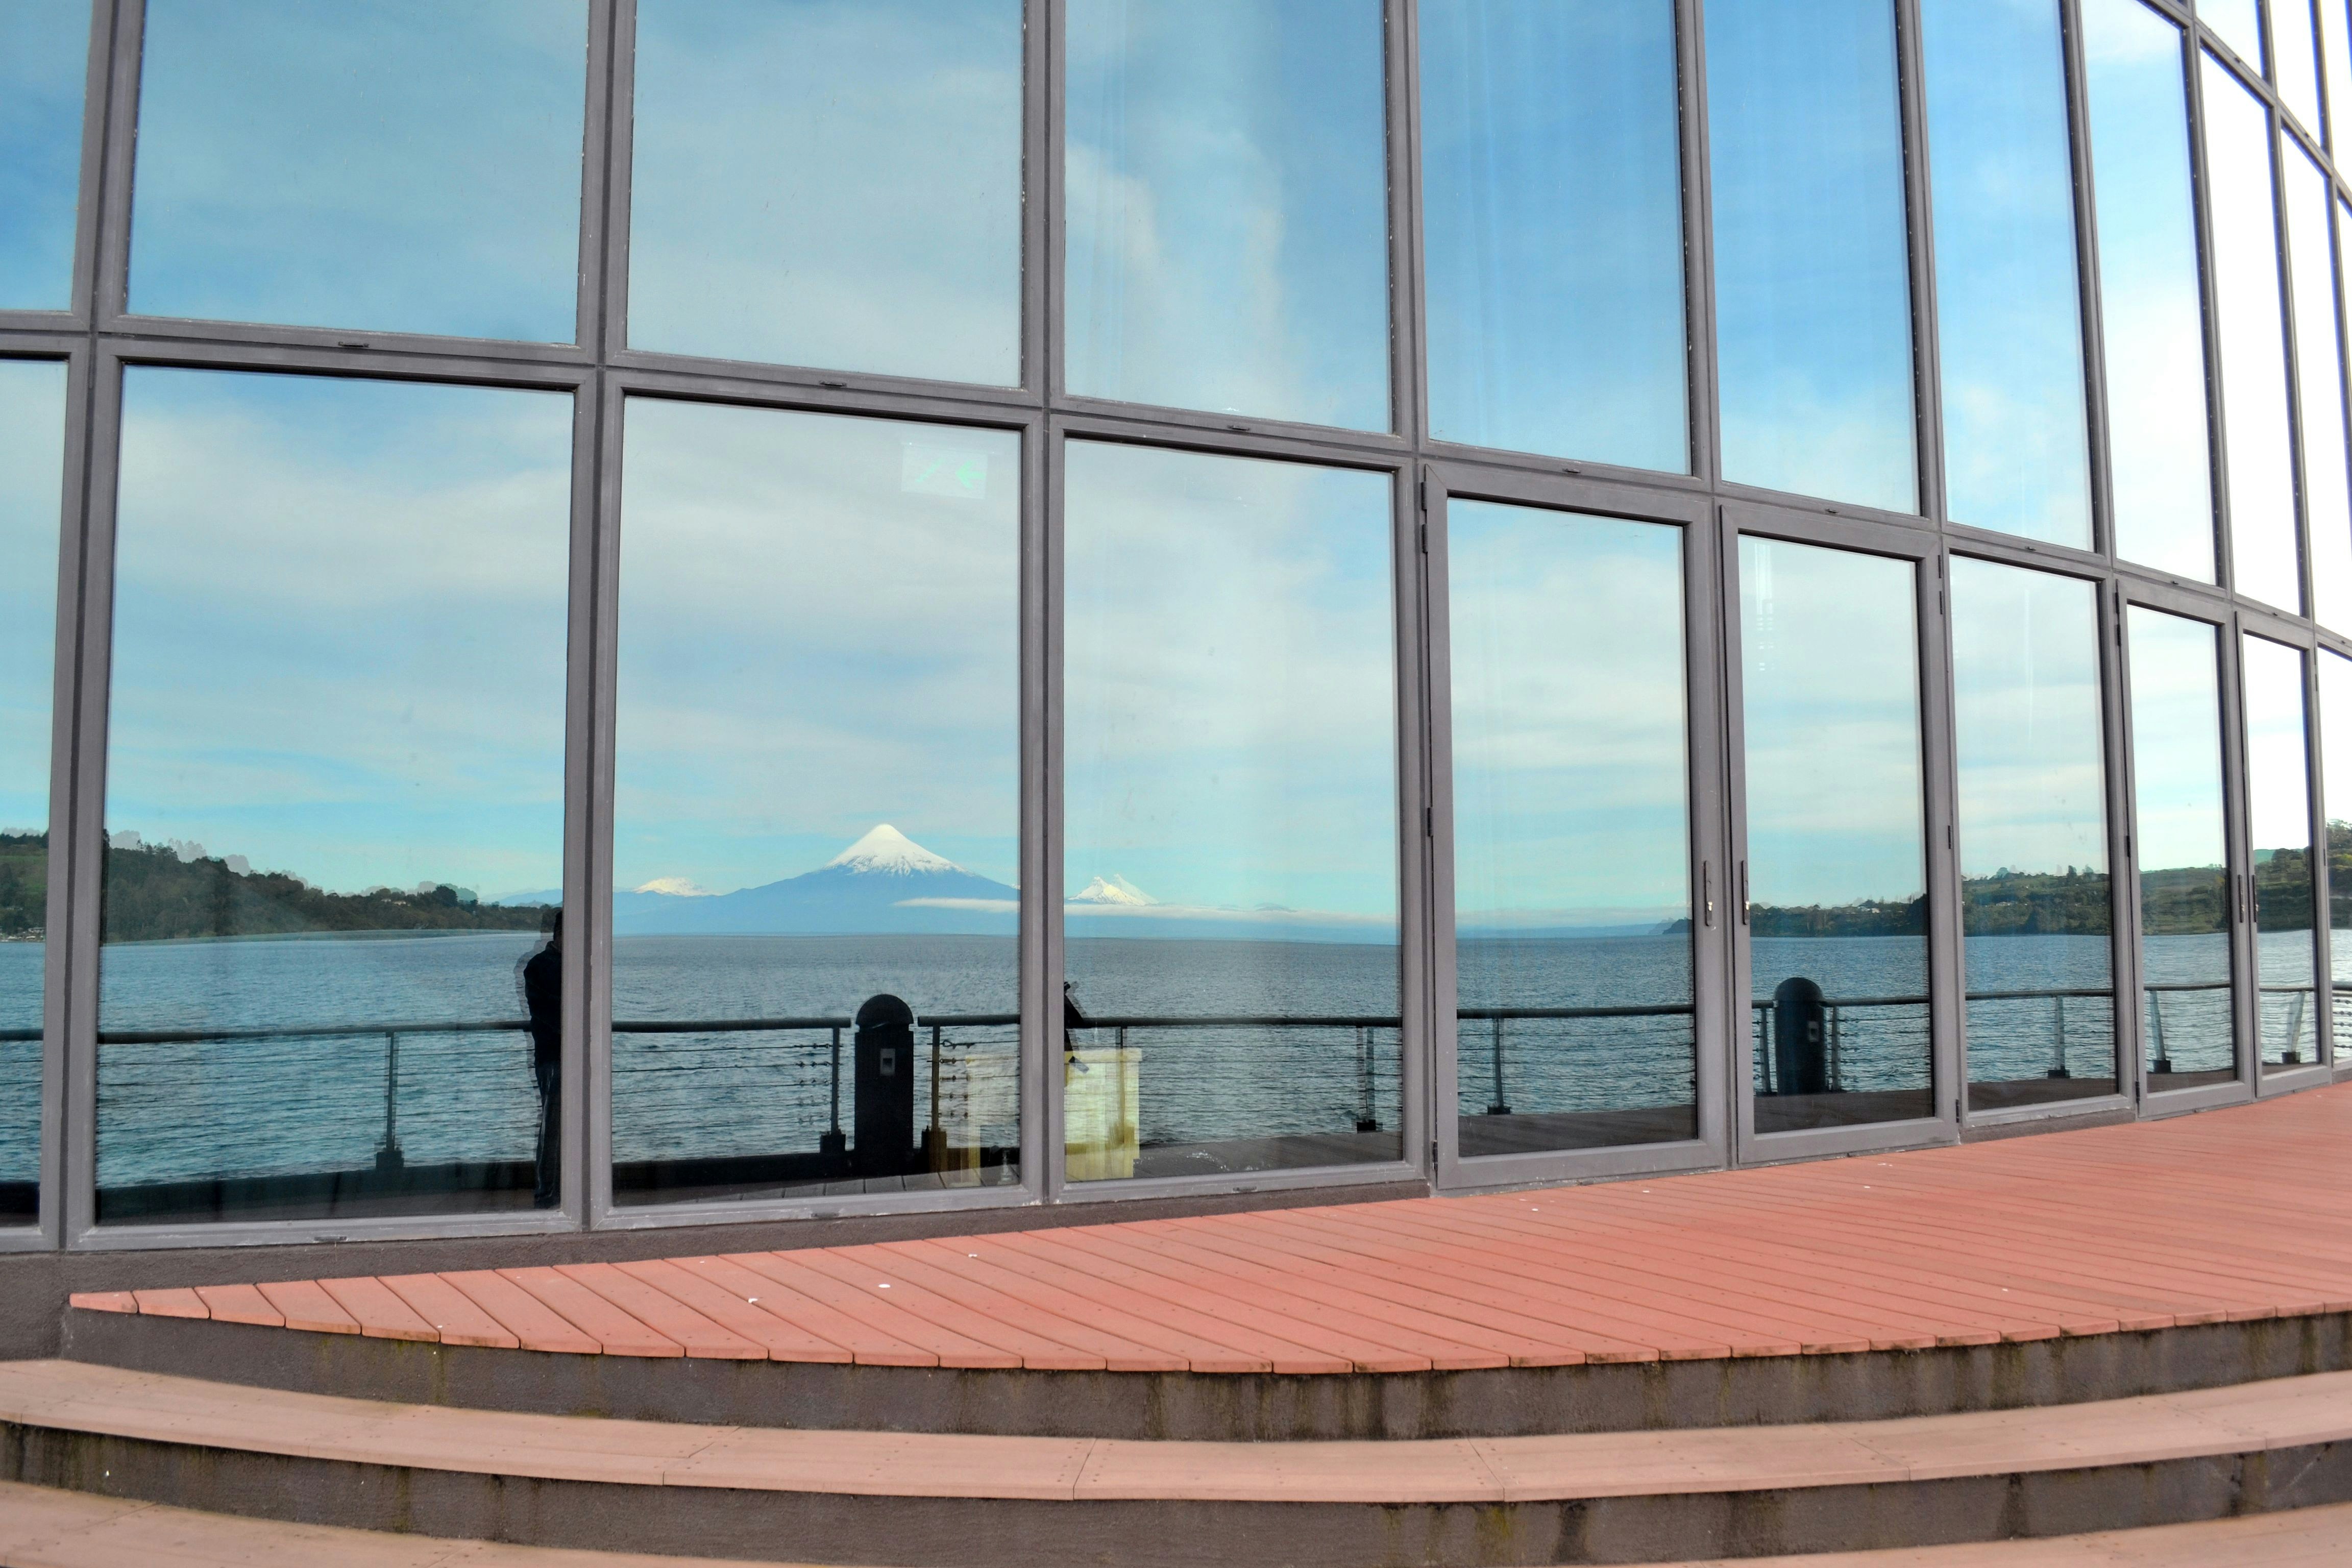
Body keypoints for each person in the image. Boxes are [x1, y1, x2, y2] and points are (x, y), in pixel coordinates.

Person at [519, 910, 562, 1208]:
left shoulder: (541, 966)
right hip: (554, 1057)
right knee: (554, 1123)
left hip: (557, 1054)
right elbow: (550, 1015)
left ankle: (555, 1190)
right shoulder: (541, 967)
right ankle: (547, 1192)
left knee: (557, 1122)